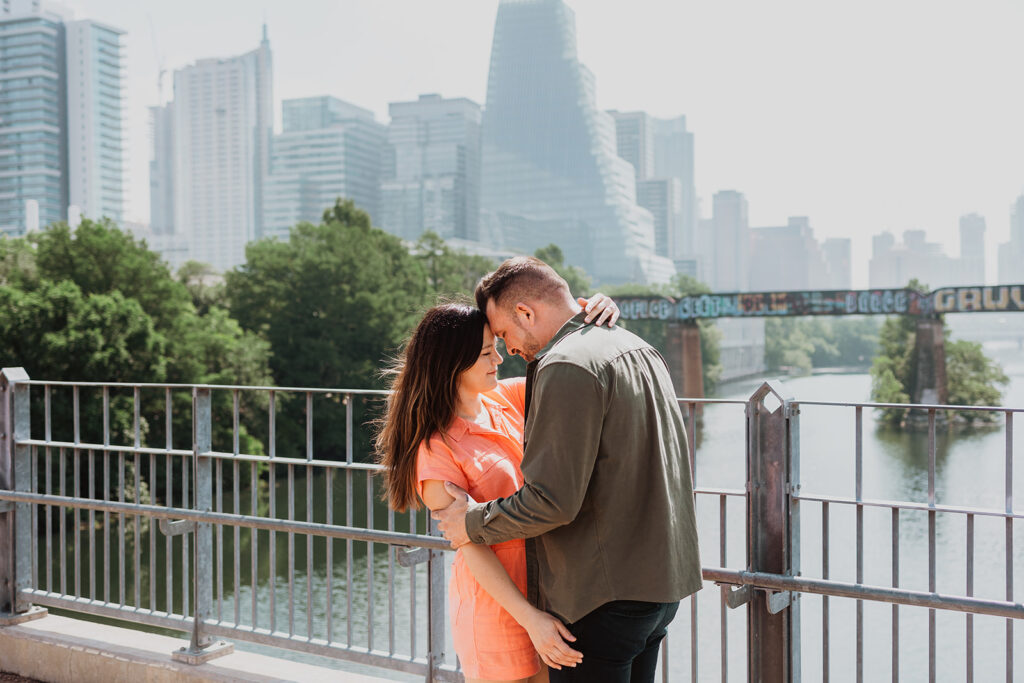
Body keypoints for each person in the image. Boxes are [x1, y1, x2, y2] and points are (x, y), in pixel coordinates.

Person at [432, 256, 703, 682]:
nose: (509, 352)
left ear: (525, 312)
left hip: (602, 597)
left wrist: (472, 523)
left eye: (503, 334)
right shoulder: (638, 347)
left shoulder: (565, 365)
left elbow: (551, 502)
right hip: (661, 587)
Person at [375, 293, 620, 683]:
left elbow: (565, 368)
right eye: (488, 352)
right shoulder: (435, 450)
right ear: (453, 364)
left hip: (552, 597)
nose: (500, 359)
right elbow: (470, 546)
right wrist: (531, 620)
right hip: (500, 613)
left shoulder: (506, 398)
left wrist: (592, 316)